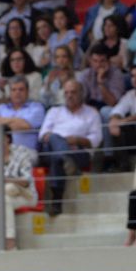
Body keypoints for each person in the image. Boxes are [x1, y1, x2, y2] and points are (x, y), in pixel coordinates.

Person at [38, 80, 103, 215]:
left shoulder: (92, 113)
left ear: (82, 94)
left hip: (79, 151)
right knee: (54, 140)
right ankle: (65, 156)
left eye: (73, 92)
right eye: (66, 92)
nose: (69, 95)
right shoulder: (54, 111)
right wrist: (62, 142)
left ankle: (57, 202)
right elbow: (43, 134)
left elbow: (96, 139)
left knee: (57, 157)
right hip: (54, 148)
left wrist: (77, 139)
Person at [0, 127, 37, 249]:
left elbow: (26, 181)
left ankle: (10, 242)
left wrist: (4, 181)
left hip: (24, 194)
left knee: (6, 194)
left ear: (7, 137)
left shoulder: (22, 153)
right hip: (1, 194)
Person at [0, 76, 46, 155]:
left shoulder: (36, 107)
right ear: (10, 93)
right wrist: (15, 120)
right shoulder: (2, 108)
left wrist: (0, 122)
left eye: (21, 89)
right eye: (13, 90)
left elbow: (25, 125)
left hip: (25, 153)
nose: (17, 92)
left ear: (27, 91)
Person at [103, 63, 136, 169]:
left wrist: (122, 122)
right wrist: (114, 120)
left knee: (125, 125)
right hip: (135, 137)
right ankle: (123, 165)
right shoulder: (130, 94)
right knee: (116, 127)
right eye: (133, 76)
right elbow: (118, 110)